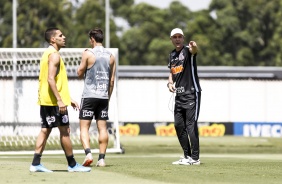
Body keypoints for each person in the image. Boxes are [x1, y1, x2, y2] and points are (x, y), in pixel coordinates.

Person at [29, 27, 91, 172]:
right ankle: (72, 165)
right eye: (60, 35)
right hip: (53, 102)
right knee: (65, 131)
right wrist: (60, 100)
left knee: (45, 130)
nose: (64, 37)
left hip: (46, 100)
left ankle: (35, 163)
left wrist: (68, 98)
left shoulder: (48, 54)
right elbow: (50, 79)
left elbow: (55, 81)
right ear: (52, 39)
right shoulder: (54, 55)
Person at [77, 28, 116, 167]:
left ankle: (88, 153)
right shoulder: (111, 56)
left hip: (89, 96)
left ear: (92, 39)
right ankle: (102, 159)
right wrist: (108, 97)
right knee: (103, 128)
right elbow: (112, 81)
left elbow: (79, 73)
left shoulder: (88, 53)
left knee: (84, 128)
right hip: (103, 97)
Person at [167, 28, 202, 165]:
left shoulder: (188, 50)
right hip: (179, 95)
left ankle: (195, 158)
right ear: (171, 39)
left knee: (190, 125)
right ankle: (187, 156)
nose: (177, 39)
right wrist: (170, 83)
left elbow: (194, 51)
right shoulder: (172, 55)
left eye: (179, 37)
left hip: (192, 93)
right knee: (178, 125)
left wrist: (194, 46)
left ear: (183, 38)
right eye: (174, 37)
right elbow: (172, 72)